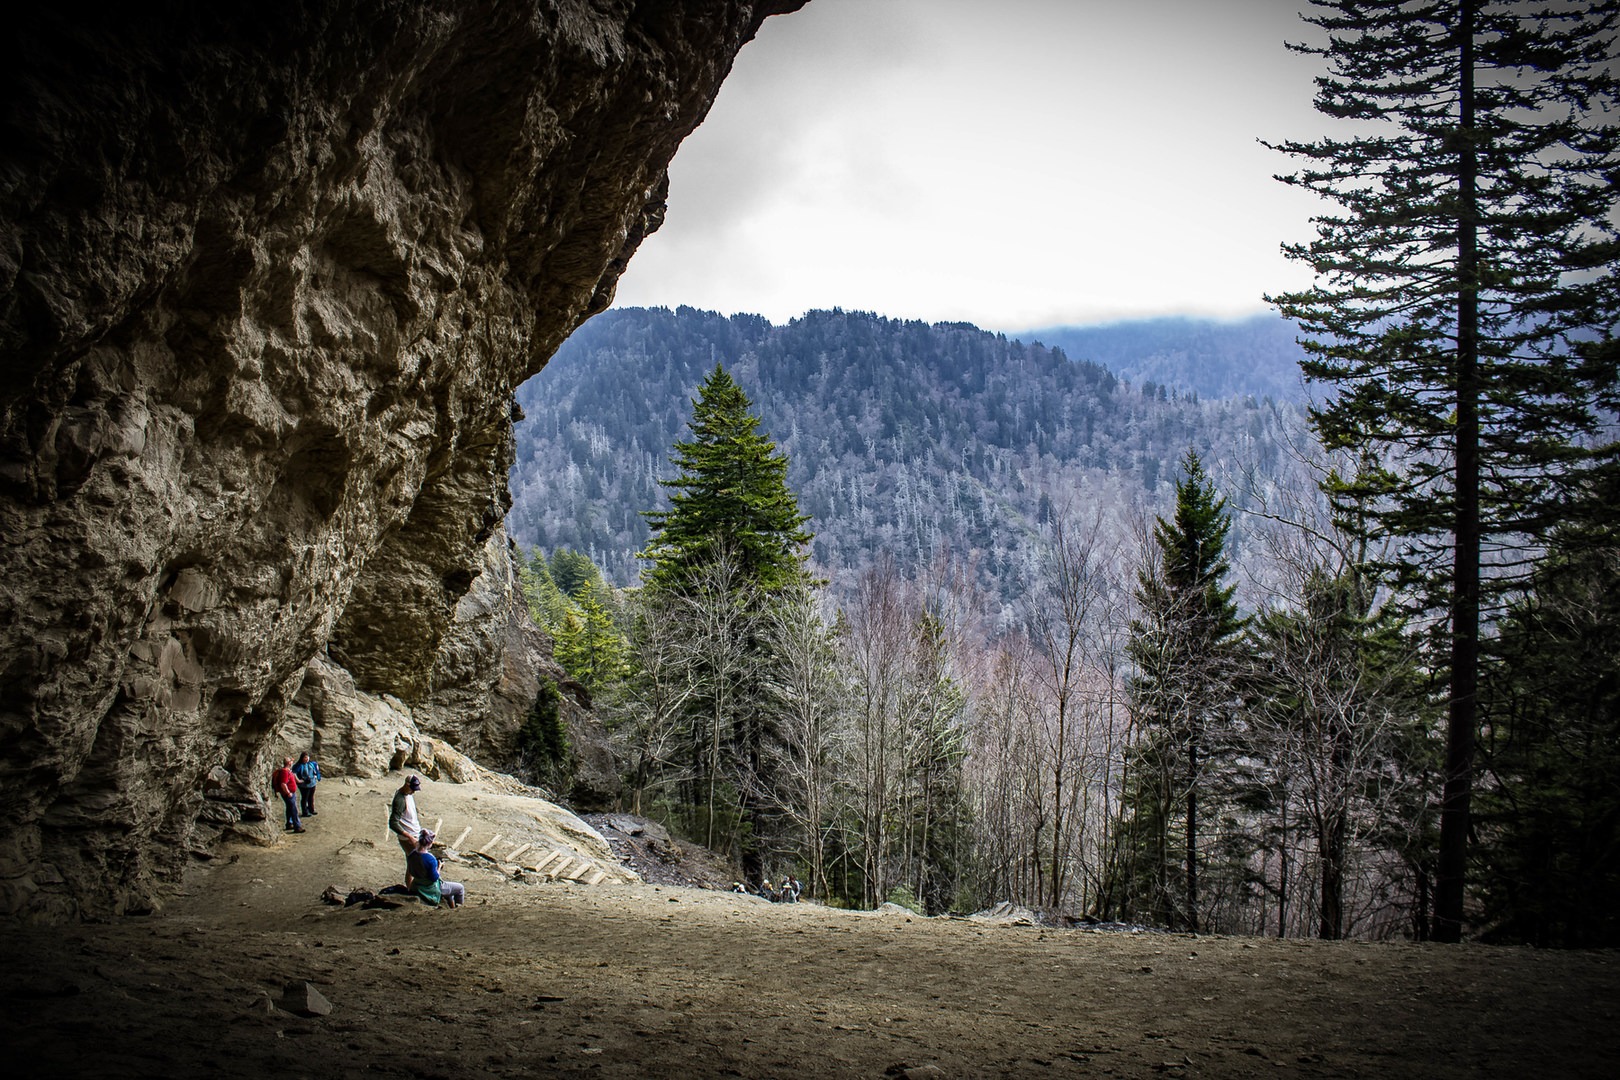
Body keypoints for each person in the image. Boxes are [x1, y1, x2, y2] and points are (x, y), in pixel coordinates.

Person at [406, 830, 465, 908]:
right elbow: (434, 878)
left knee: (450, 892)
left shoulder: (411, 854)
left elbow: (410, 870)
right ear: (430, 843)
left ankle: (451, 907)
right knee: (460, 888)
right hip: (428, 887)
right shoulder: (430, 859)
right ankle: (459, 909)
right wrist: (439, 867)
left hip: (416, 884)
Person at [389, 775, 423, 865]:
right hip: (409, 838)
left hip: (414, 834)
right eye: (412, 789)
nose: (413, 792)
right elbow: (393, 823)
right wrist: (409, 837)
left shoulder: (407, 794)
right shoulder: (400, 800)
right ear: (407, 785)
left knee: (412, 864)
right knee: (418, 864)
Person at [272, 757, 305, 833]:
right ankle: (297, 826)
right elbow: (283, 784)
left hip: (290, 793)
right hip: (288, 794)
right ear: (289, 763)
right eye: (291, 761)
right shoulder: (285, 772)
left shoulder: (288, 771)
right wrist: (288, 793)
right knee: (294, 810)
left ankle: (289, 823)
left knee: (290, 808)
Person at [291, 751, 321, 817]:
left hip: (312, 783)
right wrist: (298, 780)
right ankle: (305, 812)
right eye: (305, 757)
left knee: (311, 797)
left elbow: (316, 771)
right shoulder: (298, 766)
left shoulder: (311, 764)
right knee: (305, 798)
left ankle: (311, 809)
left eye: (307, 757)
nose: (306, 759)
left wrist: (317, 777)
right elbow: (294, 773)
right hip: (304, 785)